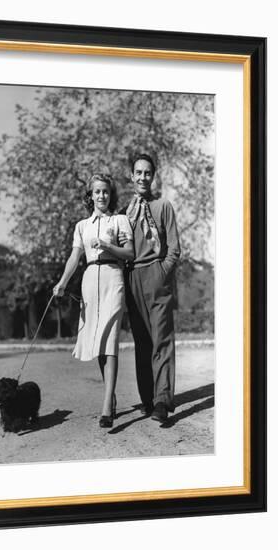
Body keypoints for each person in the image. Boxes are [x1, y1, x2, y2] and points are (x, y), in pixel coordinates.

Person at [53, 174, 134, 428]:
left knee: (110, 338)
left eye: (106, 192)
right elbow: (75, 257)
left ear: (111, 195)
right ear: (90, 195)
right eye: (97, 192)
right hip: (90, 282)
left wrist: (107, 246)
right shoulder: (82, 226)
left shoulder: (119, 220)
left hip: (113, 279)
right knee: (99, 341)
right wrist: (63, 282)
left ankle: (106, 405)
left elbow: (130, 253)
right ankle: (111, 396)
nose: (102, 196)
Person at [119, 154, 181, 423]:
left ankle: (162, 401)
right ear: (131, 176)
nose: (143, 177)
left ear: (153, 176)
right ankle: (147, 399)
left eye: (147, 173)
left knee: (162, 341)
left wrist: (161, 273)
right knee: (142, 343)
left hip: (155, 276)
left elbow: (175, 248)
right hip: (132, 278)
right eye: (138, 172)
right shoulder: (124, 212)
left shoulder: (163, 205)